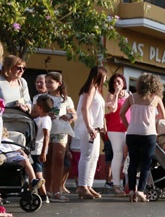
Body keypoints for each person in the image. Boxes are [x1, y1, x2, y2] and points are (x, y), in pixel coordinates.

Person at [120, 73, 165, 202]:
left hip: (132, 133)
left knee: (133, 162)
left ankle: (131, 191)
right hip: (148, 134)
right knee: (146, 163)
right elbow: (163, 116)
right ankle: (140, 191)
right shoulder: (156, 99)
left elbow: (122, 113)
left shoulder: (131, 97)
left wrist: (129, 126)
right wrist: (151, 118)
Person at [74, 66, 108, 200]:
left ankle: (88, 184)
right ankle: (82, 185)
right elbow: (85, 108)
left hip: (95, 128)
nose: (106, 79)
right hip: (88, 127)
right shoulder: (91, 88)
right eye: (105, 76)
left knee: (94, 157)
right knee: (86, 156)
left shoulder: (97, 90)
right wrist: (89, 126)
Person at [43, 72, 76, 201]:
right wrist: (46, 115)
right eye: (46, 82)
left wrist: (68, 116)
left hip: (60, 132)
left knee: (58, 160)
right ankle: (47, 190)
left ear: (59, 83)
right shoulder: (42, 98)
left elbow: (74, 115)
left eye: (50, 82)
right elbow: (35, 112)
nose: (47, 84)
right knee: (47, 161)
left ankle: (57, 191)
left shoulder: (66, 99)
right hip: (46, 131)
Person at [104, 73, 130, 195]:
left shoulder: (129, 95)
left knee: (128, 157)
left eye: (119, 82)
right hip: (115, 130)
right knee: (118, 155)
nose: (116, 84)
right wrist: (116, 94)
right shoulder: (110, 95)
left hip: (128, 129)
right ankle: (116, 185)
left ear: (124, 82)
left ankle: (128, 184)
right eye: (114, 82)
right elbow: (113, 109)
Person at [30, 95, 52, 201]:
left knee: (38, 171)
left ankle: (43, 194)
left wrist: (43, 152)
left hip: (38, 150)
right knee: (35, 170)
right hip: (35, 149)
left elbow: (46, 136)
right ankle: (37, 192)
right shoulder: (39, 119)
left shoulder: (45, 120)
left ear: (40, 107)